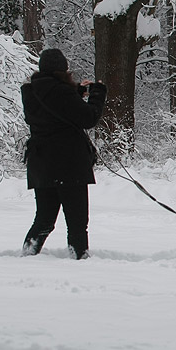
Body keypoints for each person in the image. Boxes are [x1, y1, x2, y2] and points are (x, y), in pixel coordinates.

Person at [20, 48, 107, 259]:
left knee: (44, 219)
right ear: (63, 70)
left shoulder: (31, 93)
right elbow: (88, 118)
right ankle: (79, 257)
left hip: (41, 164)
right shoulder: (63, 93)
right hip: (69, 165)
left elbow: (54, 105)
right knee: (77, 222)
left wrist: (76, 92)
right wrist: (97, 93)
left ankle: (28, 253)